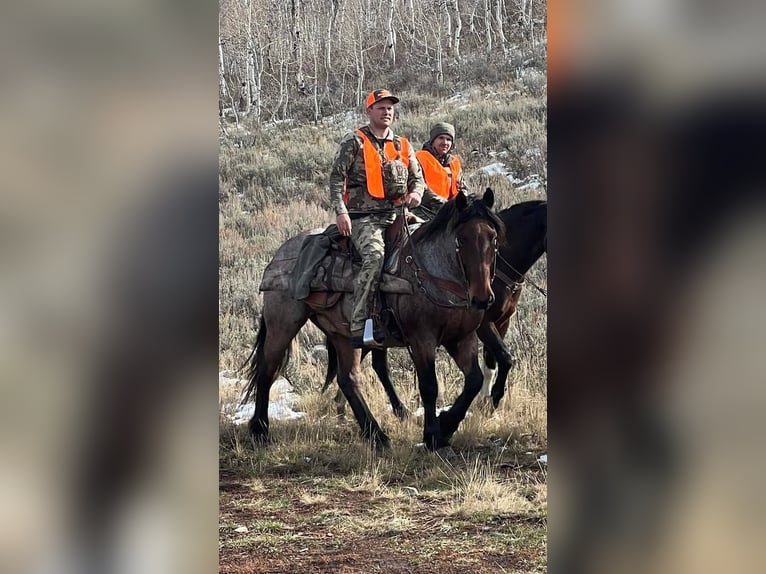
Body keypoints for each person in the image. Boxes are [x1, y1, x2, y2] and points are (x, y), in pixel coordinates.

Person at [329, 89, 428, 347]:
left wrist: (416, 193)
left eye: (390, 108)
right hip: (364, 218)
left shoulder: (403, 145)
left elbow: (418, 179)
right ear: (369, 111)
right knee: (374, 258)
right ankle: (359, 324)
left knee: (427, 246)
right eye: (381, 107)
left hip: (398, 214)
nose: (387, 112)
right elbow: (336, 179)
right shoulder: (354, 141)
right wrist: (341, 211)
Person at [412, 122, 466, 219]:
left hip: (452, 213)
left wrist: (462, 202)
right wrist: (447, 206)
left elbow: (463, 188)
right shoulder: (419, 158)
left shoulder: (454, 162)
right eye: (441, 138)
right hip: (423, 212)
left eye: (448, 139)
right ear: (433, 140)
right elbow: (419, 187)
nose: (445, 142)